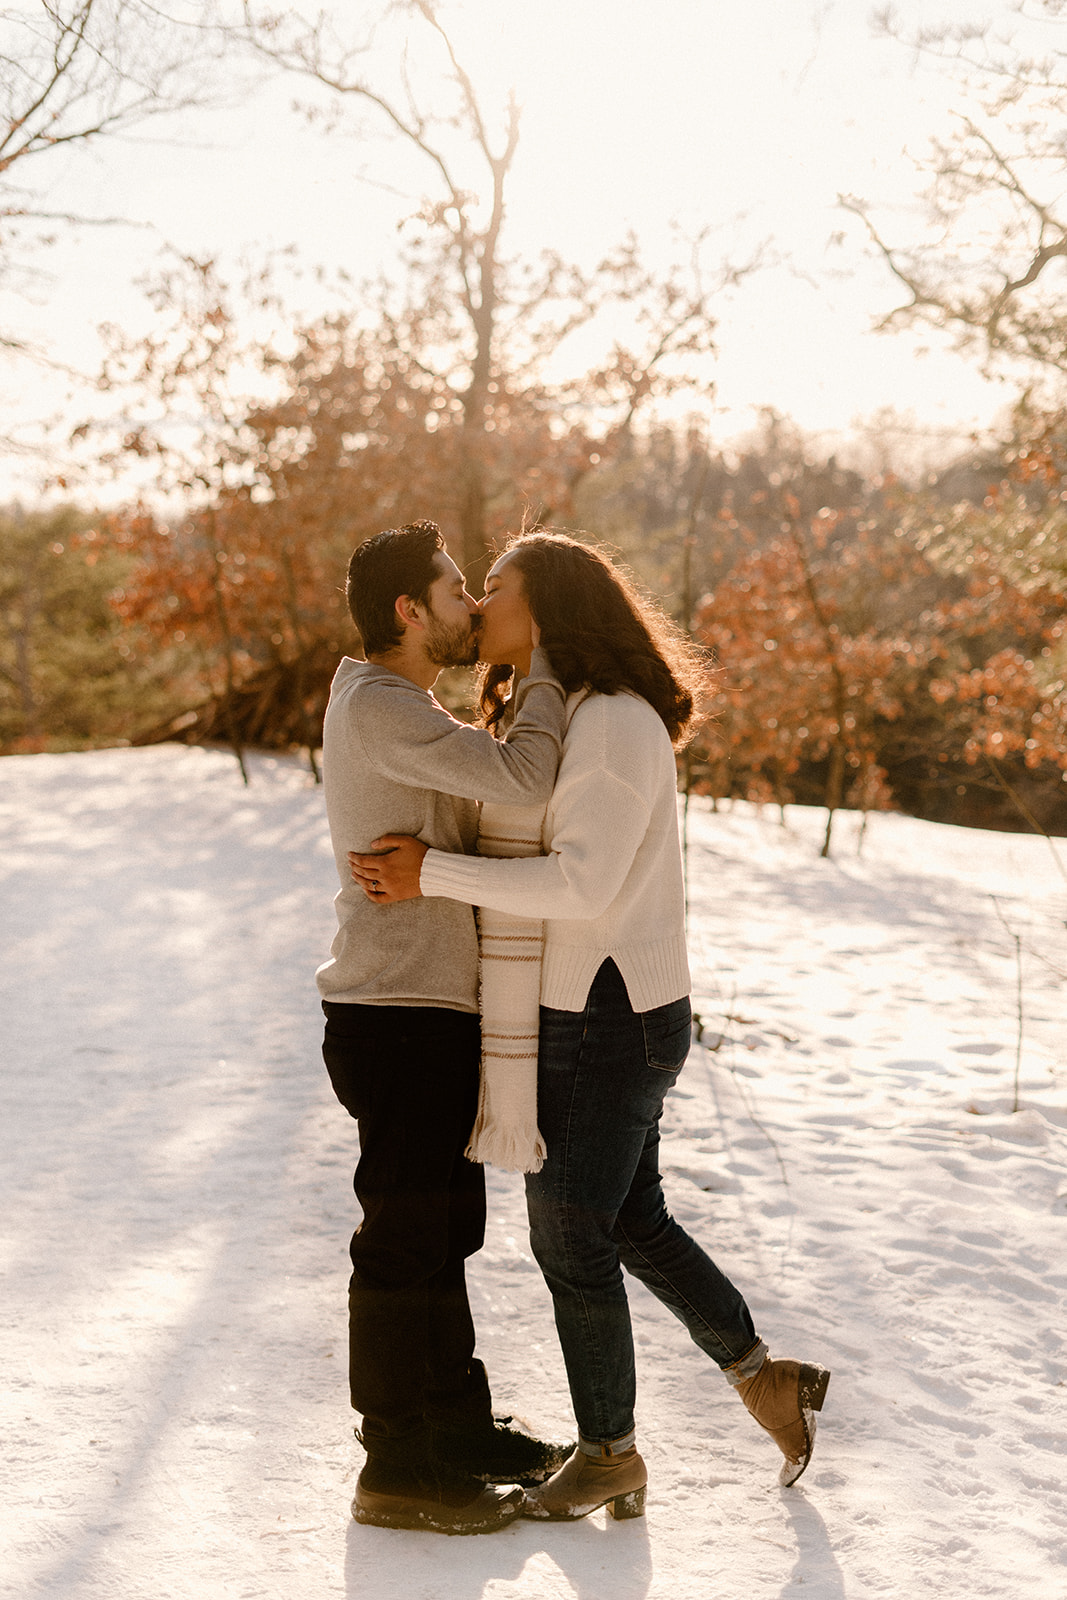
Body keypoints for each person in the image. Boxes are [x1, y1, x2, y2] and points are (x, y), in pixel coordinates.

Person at [349, 531, 831, 1522]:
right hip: (584, 1008)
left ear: (551, 609)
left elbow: (580, 882)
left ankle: (609, 1450)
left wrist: (425, 873)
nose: (478, 607)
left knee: (568, 1228)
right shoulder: (553, 710)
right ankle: (759, 1375)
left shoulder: (612, 721)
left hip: (616, 1010)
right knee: (624, 1217)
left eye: (496, 590)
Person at [316, 520, 571, 1536]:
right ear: (406, 611)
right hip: (394, 1011)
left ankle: (455, 1427)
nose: (470, 602)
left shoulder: (400, 708)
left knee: (442, 1232)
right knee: (403, 1235)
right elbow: (524, 778)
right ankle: (393, 1462)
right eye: (455, 587)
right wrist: (547, 662)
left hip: (423, 1008)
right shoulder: (379, 704)